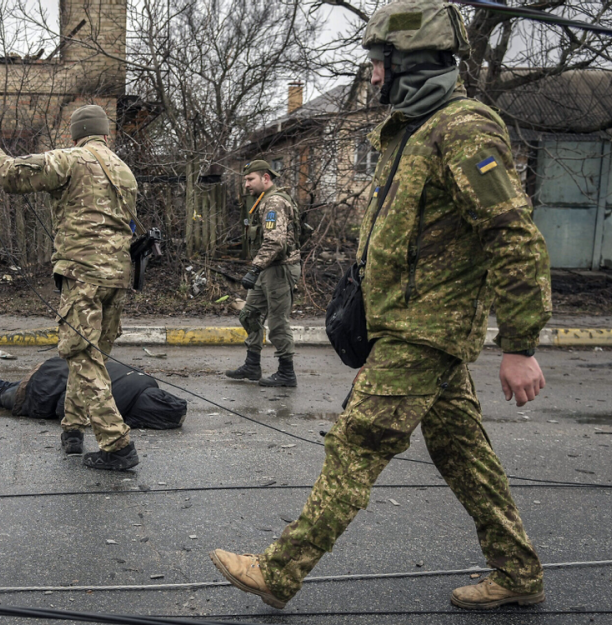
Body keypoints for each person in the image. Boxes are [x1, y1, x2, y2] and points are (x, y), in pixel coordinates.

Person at [210, 0, 552, 611]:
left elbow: (513, 234)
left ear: (413, 62)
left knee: (357, 442)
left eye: (378, 62)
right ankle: (519, 573)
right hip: (410, 326)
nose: (371, 75)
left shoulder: (465, 128)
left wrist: (521, 345)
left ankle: (280, 571)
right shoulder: (413, 133)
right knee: (461, 451)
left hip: (427, 329)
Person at [0, 104, 140, 471]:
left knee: (81, 356)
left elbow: (11, 175)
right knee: (92, 358)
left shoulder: (71, 159)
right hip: (118, 276)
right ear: (107, 134)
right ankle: (73, 430)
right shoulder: (124, 170)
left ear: (75, 134)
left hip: (83, 274)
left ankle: (117, 444)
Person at [0, 357, 187, 431]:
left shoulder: (145, 381)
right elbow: (65, 406)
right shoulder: (114, 405)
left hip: (57, 366)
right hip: (45, 390)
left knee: (7, 385)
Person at [225, 160, 300, 387]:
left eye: (250, 179)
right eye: (245, 180)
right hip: (267, 269)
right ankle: (252, 365)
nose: (246, 184)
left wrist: (255, 268)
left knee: (277, 322)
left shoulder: (274, 202)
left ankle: (287, 373)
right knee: (249, 314)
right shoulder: (263, 200)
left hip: (279, 269)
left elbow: (275, 242)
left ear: (265, 178)